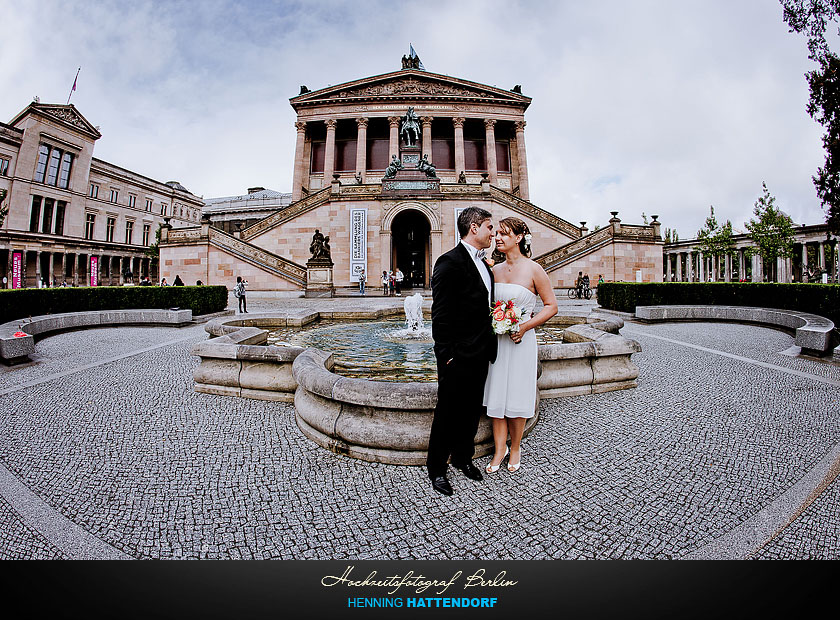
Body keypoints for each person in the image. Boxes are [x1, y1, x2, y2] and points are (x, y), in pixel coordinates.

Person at [427, 206, 498, 496]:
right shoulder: (448, 263)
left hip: (482, 351)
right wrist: (447, 355)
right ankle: (436, 468)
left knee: (471, 410)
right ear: (474, 228)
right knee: (447, 412)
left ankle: (462, 458)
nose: (493, 233)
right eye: (490, 227)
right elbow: (440, 316)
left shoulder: (486, 264)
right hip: (456, 355)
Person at [484, 217, 558, 474]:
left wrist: (526, 326)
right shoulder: (494, 271)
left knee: (516, 394)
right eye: (497, 234)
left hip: (521, 341)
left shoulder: (534, 270)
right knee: (496, 396)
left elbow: (552, 306)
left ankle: (515, 447)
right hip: (498, 342)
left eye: (505, 234)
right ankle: (499, 449)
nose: (498, 238)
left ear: (519, 237)